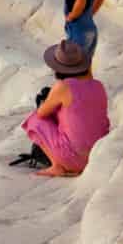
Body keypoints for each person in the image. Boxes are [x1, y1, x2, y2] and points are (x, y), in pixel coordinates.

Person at [21, 40, 112, 177]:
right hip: (97, 154)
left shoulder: (63, 86)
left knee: (34, 120)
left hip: (75, 157)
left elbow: (41, 113)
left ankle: (56, 166)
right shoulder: (98, 85)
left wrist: (50, 97)